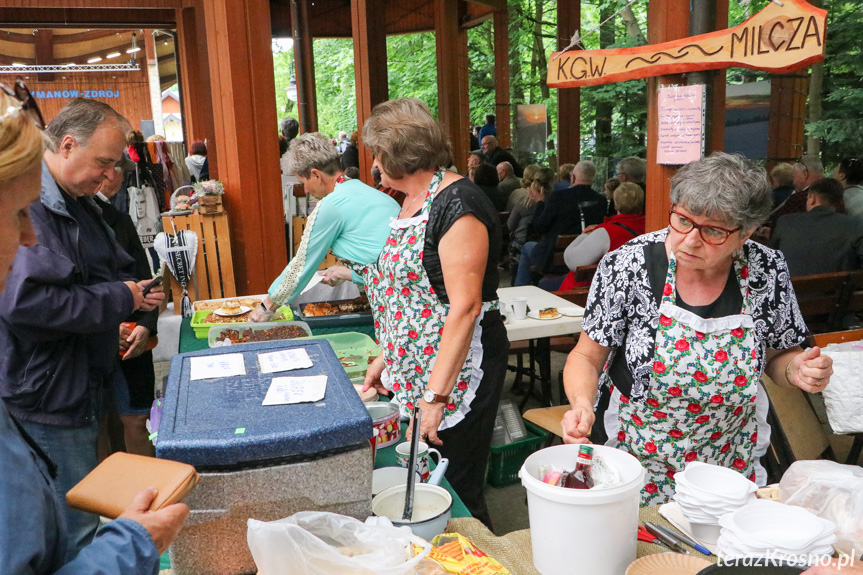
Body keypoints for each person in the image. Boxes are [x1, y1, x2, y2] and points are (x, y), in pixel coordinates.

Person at [561, 152, 834, 506]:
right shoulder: (629, 264)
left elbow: (777, 358)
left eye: (713, 231)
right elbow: (586, 356)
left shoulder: (766, 269)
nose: (690, 239)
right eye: (683, 220)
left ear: (746, 232)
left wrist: (798, 369)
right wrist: (581, 404)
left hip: (729, 459)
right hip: (638, 452)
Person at [0, 83, 187, 573]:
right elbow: (29, 306)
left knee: (78, 521)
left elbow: (117, 272)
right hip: (49, 395)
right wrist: (120, 297)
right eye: (105, 162)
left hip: (77, 382)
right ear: (66, 146)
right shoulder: (43, 207)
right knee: (72, 529)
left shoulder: (80, 205)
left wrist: (138, 305)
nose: (112, 175)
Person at [361, 98, 507, 529]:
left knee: (454, 492)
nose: (372, 163)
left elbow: (464, 307)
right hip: (417, 365)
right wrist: (388, 354)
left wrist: (435, 398)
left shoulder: (458, 203)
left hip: (456, 374)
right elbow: (408, 296)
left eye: (376, 153)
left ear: (398, 153)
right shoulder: (410, 200)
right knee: (422, 487)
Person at [249, 132, 399, 321]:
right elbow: (383, 262)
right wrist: (347, 273)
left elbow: (301, 265)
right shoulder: (373, 193)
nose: (305, 191)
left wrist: (266, 307)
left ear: (316, 174)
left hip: (395, 305)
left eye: (303, 183)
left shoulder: (331, 205)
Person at [95, 160, 159, 457]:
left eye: (113, 167)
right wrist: (107, 327)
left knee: (137, 417)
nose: (109, 175)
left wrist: (146, 325)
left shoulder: (118, 220)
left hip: (133, 336)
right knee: (100, 424)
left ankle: (147, 491)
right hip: (91, 339)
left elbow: (149, 283)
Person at [513, 160, 607, 286]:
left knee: (527, 247)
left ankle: (520, 290)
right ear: (593, 179)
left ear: (572, 178)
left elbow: (539, 227)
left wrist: (540, 203)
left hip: (554, 258)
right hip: (588, 257)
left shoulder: (558, 197)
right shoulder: (601, 200)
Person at [550, 182, 646, 292]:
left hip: (597, 292)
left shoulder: (606, 233)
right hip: (632, 288)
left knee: (543, 285)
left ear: (615, 205)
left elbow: (572, 261)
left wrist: (586, 235)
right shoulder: (651, 226)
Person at [772, 178, 863, 277]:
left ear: (812, 198)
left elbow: (770, 260)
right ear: (839, 202)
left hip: (790, 290)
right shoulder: (855, 225)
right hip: (837, 290)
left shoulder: (785, 222)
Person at [508, 167, 552, 282]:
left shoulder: (523, 200)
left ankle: (520, 286)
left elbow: (510, 225)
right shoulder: (554, 201)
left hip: (523, 244)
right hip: (548, 246)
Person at [764, 154, 826, 231]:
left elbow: (783, 227)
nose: (793, 183)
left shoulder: (799, 199)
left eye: (794, 177)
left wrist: (772, 232)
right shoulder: (836, 196)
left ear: (804, 174)